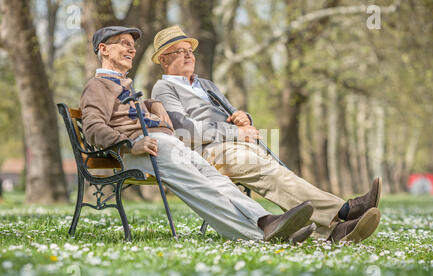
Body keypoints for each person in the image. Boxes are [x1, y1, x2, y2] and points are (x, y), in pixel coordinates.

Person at [79, 26, 317, 243]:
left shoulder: (125, 86)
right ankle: (260, 235)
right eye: (123, 43)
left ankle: (267, 222)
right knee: (202, 187)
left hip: (164, 144)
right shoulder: (97, 86)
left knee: (217, 181)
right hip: (136, 151)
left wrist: (152, 107)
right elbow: (92, 128)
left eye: (132, 44)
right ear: (104, 49)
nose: (131, 48)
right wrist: (130, 144)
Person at [150, 25, 382, 243]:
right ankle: (345, 210)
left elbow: (233, 115)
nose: (188, 55)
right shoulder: (164, 88)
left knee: (276, 173)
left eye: (189, 50)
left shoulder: (206, 85)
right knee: (267, 170)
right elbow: (185, 129)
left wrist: (244, 118)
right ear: (164, 59)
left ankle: (334, 232)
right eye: (179, 51)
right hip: (205, 152)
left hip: (234, 144)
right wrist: (235, 132)